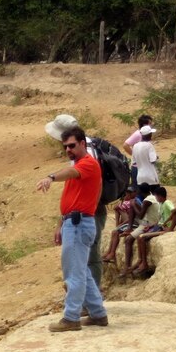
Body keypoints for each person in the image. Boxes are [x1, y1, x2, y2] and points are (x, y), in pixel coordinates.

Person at [36, 126, 108, 331]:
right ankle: (98, 314)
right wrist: (61, 224)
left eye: (72, 145)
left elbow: (69, 172)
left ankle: (71, 317)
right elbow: (72, 198)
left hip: (78, 224)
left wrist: (50, 177)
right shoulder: (80, 167)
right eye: (65, 146)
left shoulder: (87, 165)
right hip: (74, 222)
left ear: (83, 144)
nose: (68, 150)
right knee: (82, 271)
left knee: (74, 273)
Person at [44, 114, 107, 290]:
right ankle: (87, 300)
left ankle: (87, 299)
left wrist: (90, 210)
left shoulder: (86, 153)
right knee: (79, 259)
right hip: (81, 212)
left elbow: (97, 183)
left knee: (89, 257)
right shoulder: (77, 154)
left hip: (87, 211)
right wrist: (61, 223)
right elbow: (71, 192)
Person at [122, 114, 154, 186]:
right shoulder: (138, 134)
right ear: (145, 125)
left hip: (145, 166)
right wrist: (135, 156)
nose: (151, 125)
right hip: (138, 167)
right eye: (150, 123)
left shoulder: (146, 135)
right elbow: (125, 145)